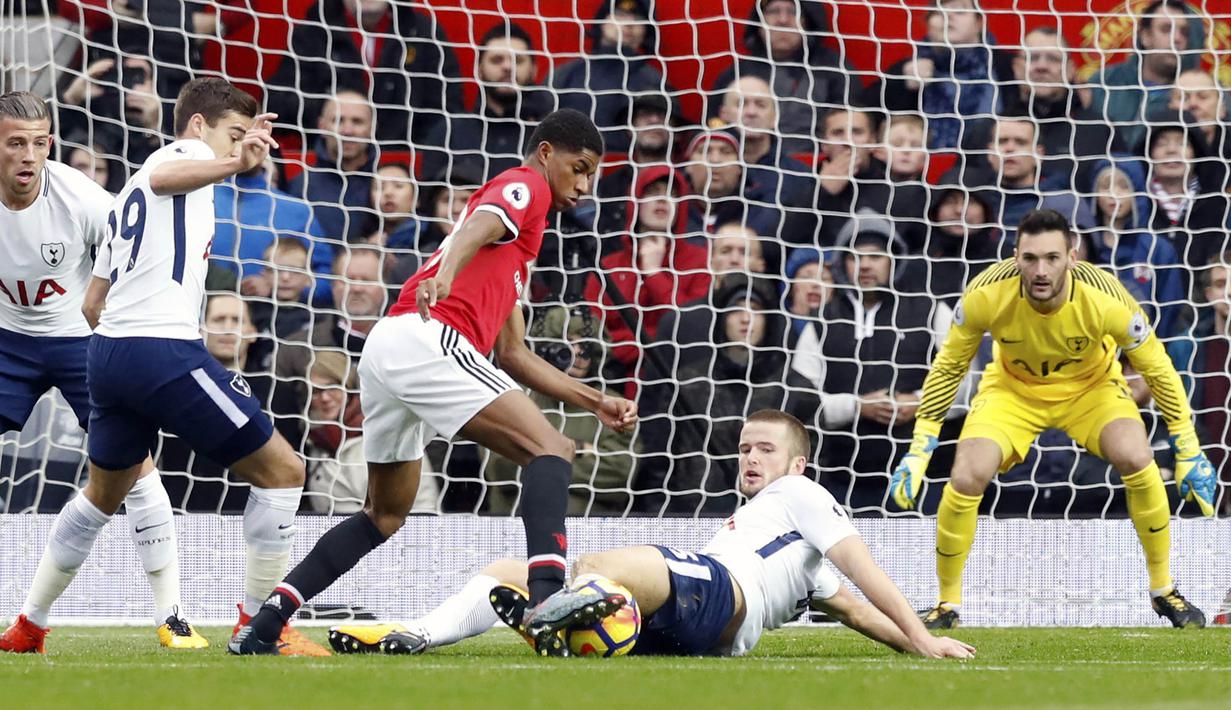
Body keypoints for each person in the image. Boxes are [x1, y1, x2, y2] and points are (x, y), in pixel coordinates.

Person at [231, 109, 638, 658]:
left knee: (384, 514)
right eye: (579, 169)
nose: (583, 187)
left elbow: (514, 355)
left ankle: (267, 620)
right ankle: (545, 597)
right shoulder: (525, 187)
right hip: (429, 337)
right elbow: (481, 221)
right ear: (547, 155)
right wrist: (445, 278)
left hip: (389, 349)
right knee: (552, 448)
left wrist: (595, 399)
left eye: (592, 176)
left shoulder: (518, 254)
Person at [20, 79, 325, 656]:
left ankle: (29, 624)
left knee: (101, 495)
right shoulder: (176, 158)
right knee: (284, 471)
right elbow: (169, 174)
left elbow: (91, 304)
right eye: (233, 133)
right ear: (197, 127)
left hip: (107, 354)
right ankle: (262, 627)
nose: (242, 144)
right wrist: (233, 160)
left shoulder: (128, 197)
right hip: (160, 350)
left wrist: (124, 355)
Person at [328, 411, 976, 661]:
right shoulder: (797, 560)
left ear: (796, 465)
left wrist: (922, 637)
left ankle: (559, 607)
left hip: (719, 593)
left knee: (600, 563)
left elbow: (863, 574)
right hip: (683, 635)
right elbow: (857, 614)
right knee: (507, 569)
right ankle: (422, 632)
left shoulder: (800, 495)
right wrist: (917, 648)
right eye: (745, 448)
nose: (750, 459)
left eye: (765, 450)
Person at [888, 209, 1213, 629]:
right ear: (1015, 256)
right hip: (1012, 391)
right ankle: (947, 604)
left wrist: (1187, 446)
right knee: (967, 475)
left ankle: (1163, 590)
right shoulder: (985, 293)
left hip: (1091, 389)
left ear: (1072, 257)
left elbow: (1158, 369)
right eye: (1030, 258)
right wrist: (920, 448)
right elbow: (949, 366)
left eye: (1053, 258)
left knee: (1137, 457)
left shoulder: (1107, 297)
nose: (1041, 270)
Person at [0, 91, 193, 652]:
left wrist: (116, 313)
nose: (28, 156)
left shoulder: (79, 196)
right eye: (15, 144)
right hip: (8, 341)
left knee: (134, 467)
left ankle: (172, 616)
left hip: (81, 342)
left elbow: (135, 248)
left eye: (39, 144)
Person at [484, 305, 637, 515]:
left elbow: (620, 474)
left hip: (591, 529)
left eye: (585, 344)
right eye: (570, 342)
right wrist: (580, 448)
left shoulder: (614, 405)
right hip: (514, 526)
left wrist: (537, 459)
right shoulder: (514, 396)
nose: (579, 352)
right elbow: (500, 469)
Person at [263, 0, 463, 146]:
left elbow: (448, 106)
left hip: (404, 164)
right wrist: (332, 112)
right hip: (332, 161)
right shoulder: (312, 32)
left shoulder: (423, 32)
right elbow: (279, 103)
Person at [711, 0, 855, 154]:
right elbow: (713, 127)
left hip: (817, 166)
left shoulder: (834, 69)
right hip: (747, 166)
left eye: (793, 12)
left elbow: (853, 125)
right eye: (773, 11)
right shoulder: (738, 73)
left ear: (807, 23)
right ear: (758, 24)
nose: (783, 20)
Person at [420, 22, 553, 182]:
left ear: (534, 70)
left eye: (517, 60)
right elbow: (429, 197)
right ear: (479, 69)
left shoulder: (551, 135)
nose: (507, 67)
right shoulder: (449, 131)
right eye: (496, 60)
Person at [551, 0, 672, 155]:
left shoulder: (655, 80)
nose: (629, 24)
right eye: (620, 15)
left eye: (638, 19)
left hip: (630, 171)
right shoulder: (568, 74)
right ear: (602, 21)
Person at [1089, 0, 1206, 152]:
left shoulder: (1207, 92)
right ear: (1145, 36)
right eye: (1166, 29)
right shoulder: (1104, 83)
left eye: (1185, 32)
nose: (1177, 38)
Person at [286, 90, 378, 243]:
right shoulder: (301, 186)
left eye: (357, 121)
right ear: (321, 126)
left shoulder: (387, 183)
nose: (347, 131)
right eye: (338, 121)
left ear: (372, 128)